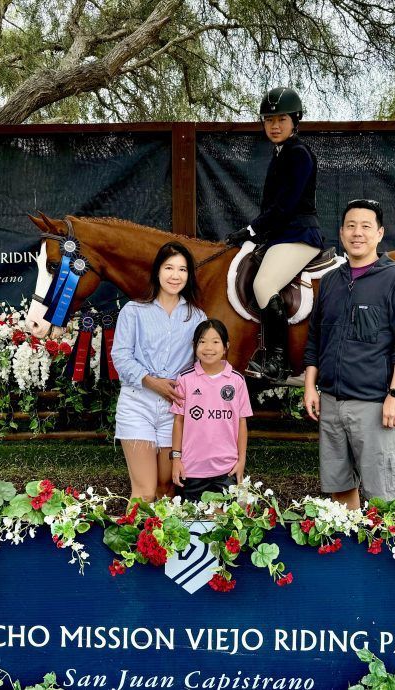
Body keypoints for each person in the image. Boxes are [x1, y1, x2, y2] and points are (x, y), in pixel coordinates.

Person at [302, 200, 395, 508]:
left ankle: (389, 554)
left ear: (379, 234)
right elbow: (316, 338)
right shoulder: (331, 281)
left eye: (366, 226)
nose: (358, 233)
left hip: (375, 405)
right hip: (331, 403)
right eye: (351, 226)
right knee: (340, 489)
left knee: (385, 497)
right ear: (342, 233)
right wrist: (310, 387)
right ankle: (351, 554)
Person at [225, 86, 323, 381]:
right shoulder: (280, 154)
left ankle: (277, 360)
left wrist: (252, 229)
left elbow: (286, 206)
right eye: (269, 120)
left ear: (295, 121)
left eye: (281, 119)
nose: (275, 126)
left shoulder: (299, 154)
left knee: (264, 284)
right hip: (282, 234)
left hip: (299, 234)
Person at [112, 242, 207, 501]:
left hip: (173, 410)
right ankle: (135, 541)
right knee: (144, 491)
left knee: (166, 488)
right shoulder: (134, 311)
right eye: (169, 268)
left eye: (182, 269)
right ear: (157, 271)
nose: (175, 275)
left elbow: (201, 364)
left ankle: (162, 542)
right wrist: (152, 382)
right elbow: (120, 356)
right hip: (137, 405)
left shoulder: (197, 317)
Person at [169, 319, 252, 502]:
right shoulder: (185, 379)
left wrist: (241, 461)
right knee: (193, 522)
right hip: (192, 468)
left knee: (226, 522)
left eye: (215, 342)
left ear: (226, 346)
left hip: (226, 468)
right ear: (194, 345)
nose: (208, 347)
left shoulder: (236, 380)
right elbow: (178, 421)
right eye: (202, 341)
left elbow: (241, 423)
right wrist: (176, 459)